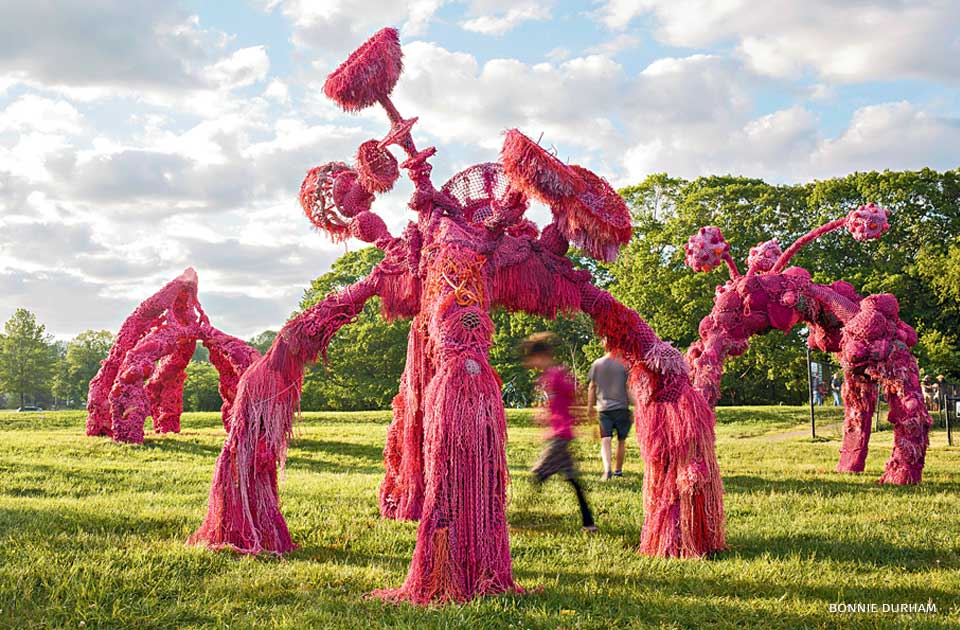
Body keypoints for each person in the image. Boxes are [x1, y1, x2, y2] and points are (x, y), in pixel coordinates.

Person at [522, 333, 596, 533]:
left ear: (542, 355)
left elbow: (575, 392)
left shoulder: (556, 374)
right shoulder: (548, 377)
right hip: (560, 434)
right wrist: (546, 415)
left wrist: (572, 416)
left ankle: (522, 517)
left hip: (561, 435)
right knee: (572, 479)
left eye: (532, 358)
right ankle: (589, 523)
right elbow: (559, 402)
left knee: (539, 474)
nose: (531, 363)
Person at [587, 349, 631, 481]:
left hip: (603, 409)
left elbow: (592, 386)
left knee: (605, 440)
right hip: (622, 408)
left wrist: (590, 407)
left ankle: (607, 471)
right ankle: (618, 471)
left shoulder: (597, 364)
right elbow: (628, 388)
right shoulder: (625, 364)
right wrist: (637, 406)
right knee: (621, 441)